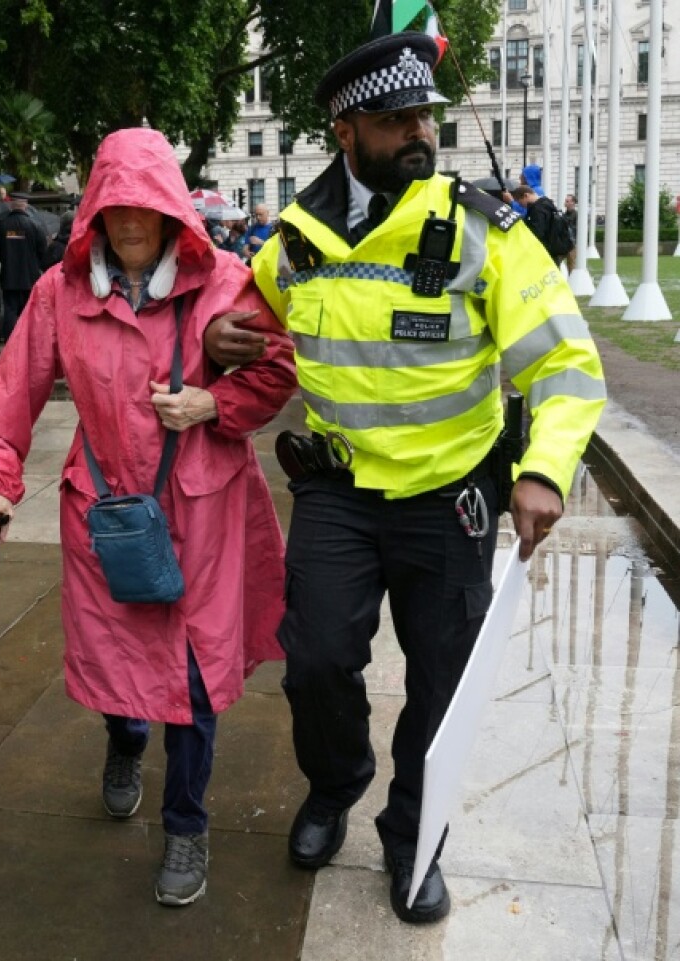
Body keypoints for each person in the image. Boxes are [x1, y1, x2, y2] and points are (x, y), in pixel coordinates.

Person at [205, 33, 606, 925]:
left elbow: (569, 364)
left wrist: (542, 470)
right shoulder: (299, 234)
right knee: (312, 663)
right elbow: (245, 305)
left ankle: (412, 836)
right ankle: (335, 784)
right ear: (347, 132)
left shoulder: (481, 231)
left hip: (450, 498)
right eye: (396, 120)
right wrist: (216, 335)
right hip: (339, 492)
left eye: (424, 114)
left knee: (439, 683)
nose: (419, 132)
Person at [0, 127, 297, 906]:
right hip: (110, 511)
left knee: (193, 677)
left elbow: (280, 368)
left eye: (146, 209)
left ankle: (186, 824)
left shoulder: (225, 283)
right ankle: (124, 740)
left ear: (174, 211)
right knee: (120, 669)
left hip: (206, 510)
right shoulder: (60, 292)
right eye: (115, 210)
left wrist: (217, 400)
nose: (132, 224)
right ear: (94, 217)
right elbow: (14, 388)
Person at [0, 192, 46, 340]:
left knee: (10, 309)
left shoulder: (1, 226)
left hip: (9, 275)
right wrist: (34, 264)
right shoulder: (34, 225)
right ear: (26, 205)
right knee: (29, 309)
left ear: (11, 205)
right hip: (30, 275)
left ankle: (11, 339)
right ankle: (28, 338)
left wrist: (7, 260)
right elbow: (42, 249)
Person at [512, 183, 574, 266]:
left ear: (526, 196)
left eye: (520, 202)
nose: (521, 205)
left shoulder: (537, 209)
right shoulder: (547, 203)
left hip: (546, 250)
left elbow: (538, 232)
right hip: (555, 247)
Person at [563, 193, 579, 271]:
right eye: (566, 201)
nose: (565, 202)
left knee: (571, 263)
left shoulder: (576, 215)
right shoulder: (564, 214)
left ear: (573, 203)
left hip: (572, 242)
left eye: (567, 201)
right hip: (565, 241)